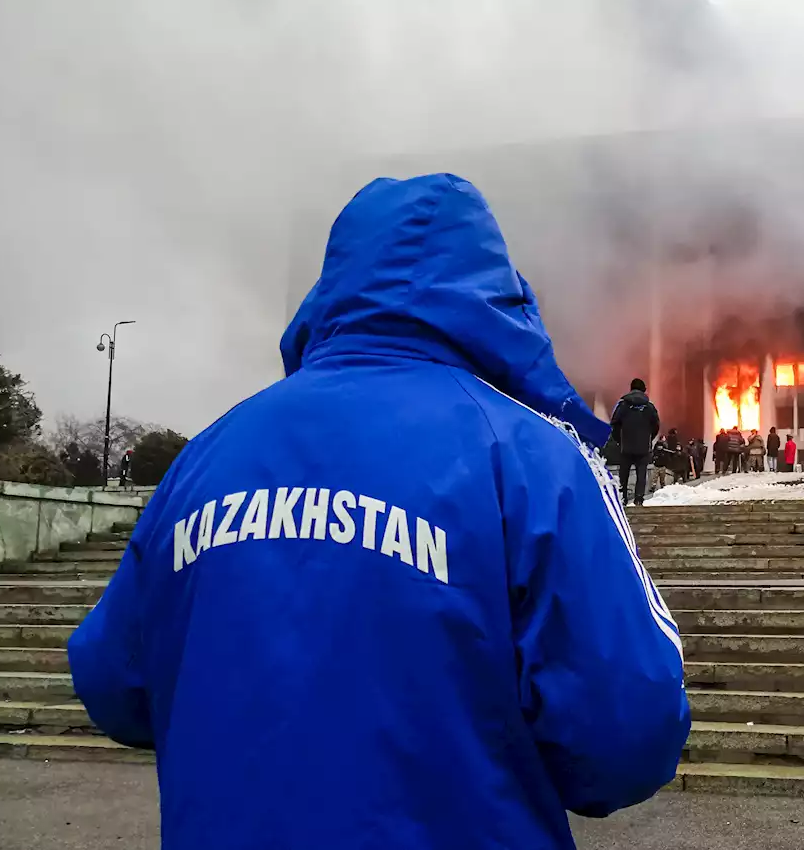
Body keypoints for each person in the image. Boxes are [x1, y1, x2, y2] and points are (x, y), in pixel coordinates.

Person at [66, 175, 689, 850]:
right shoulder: (534, 459)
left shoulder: (207, 457)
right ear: (497, 297)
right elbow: (627, 732)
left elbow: (111, 681)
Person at [611, 378, 660, 507]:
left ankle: (623, 499)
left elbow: (614, 424)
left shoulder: (623, 405)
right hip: (643, 447)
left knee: (624, 474)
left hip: (626, 446)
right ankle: (639, 500)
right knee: (641, 474)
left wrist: (619, 440)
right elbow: (656, 425)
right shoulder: (649, 407)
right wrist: (649, 438)